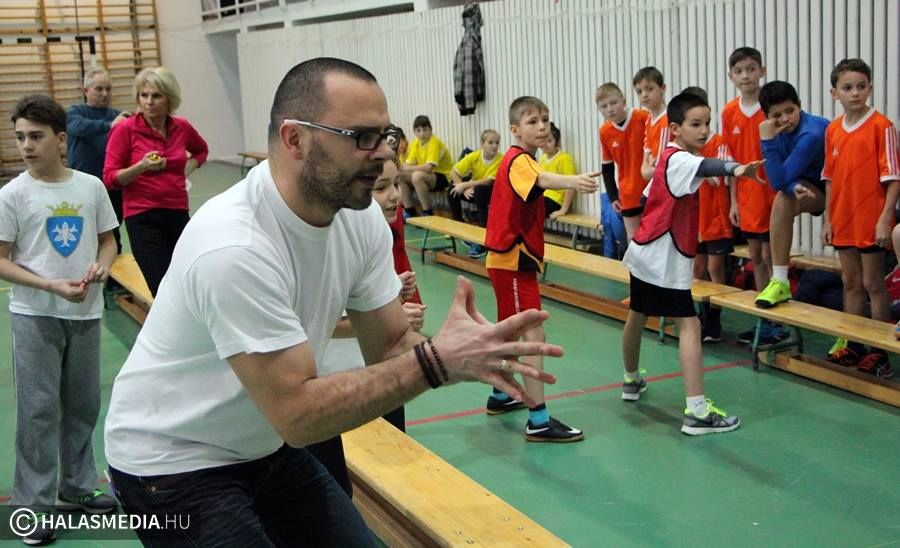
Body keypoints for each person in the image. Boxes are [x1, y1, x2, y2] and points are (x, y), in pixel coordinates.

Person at [103, 57, 560, 546]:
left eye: (385, 135)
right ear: (295, 139)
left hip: (263, 445)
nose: (383, 154)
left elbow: (390, 345)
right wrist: (434, 362)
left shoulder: (358, 217)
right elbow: (298, 413)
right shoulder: (234, 246)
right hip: (173, 464)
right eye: (361, 136)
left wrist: (464, 352)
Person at [2, 95, 119, 545]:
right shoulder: (13, 195)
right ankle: (32, 507)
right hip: (35, 315)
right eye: (20, 138)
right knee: (38, 411)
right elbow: (1, 259)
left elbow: (108, 241)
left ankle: (78, 485)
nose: (26, 146)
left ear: (61, 140)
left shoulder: (90, 187)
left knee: (84, 405)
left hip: (85, 313)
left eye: (36, 136)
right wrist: (49, 285)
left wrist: (102, 267)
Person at [618, 91, 764, 435]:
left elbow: (649, 195)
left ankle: (631, 380)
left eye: (707, 123)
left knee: (638, 313)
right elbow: (708, 166)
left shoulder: (667, 158)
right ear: (675, 129)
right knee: (690, 325)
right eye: (695, 124)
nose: (704, 130)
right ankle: (697, 412)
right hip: (664, 258)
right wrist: (737, 168)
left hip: (645, 252)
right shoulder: (681, 159)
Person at [483, 95, 599, 443]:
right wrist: (574, 181)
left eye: (545, 120)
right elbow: (544, 179)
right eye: (532, 121)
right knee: (533, 336)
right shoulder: (519, 160)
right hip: (512, 260)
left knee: (510, 332)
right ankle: (538, 419)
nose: (542, 126)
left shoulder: (526, 161)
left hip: (509, 261)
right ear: (515, 129)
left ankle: (500, 394)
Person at [312, 157, 426, 496]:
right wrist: (394, 318)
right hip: (336, 377)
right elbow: (323, 320)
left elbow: (367, 297)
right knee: (334, 482)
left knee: (394, 455)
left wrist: (395, 291)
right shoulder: (329, 243)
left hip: (377, 368)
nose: (394, 196)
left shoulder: (380, 233)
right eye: (381, 188)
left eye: (396, 184)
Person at [821, 58, 900, 378]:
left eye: (861, 86)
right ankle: (853, 344)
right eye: (847, 87)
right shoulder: (832, 130)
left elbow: (893, 178)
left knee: (873, 284)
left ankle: (879, 352)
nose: (855, 93)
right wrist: (828, 219)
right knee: (850, 282)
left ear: (870, 88)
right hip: (843, 218)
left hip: (871, 218)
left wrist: (884, 219)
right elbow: (829, 178)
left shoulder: (882, 126)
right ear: (834, 93)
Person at [103, 66, 208, 296]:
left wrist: (186, 169)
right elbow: (110, 178)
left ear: (169, 98)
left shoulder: (182, 127)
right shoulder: (125, 130)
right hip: (142, 217)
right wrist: (142, 167)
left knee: (187, 278)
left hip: (177, 212)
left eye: (156, 96)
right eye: (144, 95)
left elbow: (201, 150)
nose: (149, 102)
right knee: (161, 286)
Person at [721, 46, 786, 345]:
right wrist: (733, 201)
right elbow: (732, 163)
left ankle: (781, 321)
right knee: (756, 256)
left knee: (774, 256)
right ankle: (765, 320)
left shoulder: (771, 108)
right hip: (747, 196)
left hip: (773, 192)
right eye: (739, 71)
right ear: (731, 76)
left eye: (751, 69)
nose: (745, 75)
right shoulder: (728, 112)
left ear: (762, 71)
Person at [753, 81, 830, 310]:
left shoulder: (812, 133)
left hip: (836, 188)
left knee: (860, 276)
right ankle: (780, 281)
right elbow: (778, 180)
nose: (786, 119)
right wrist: (792, 185)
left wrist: (767, 142)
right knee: (782, 201)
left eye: (790, 111)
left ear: (800, 105)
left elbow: (778, 180)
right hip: (804, 183)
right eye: (777, 115)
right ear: (767, 117)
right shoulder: (773, 129)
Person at [682, 86, 734, 344]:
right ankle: (699, 317)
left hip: (715, 214)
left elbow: (720, 175)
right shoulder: (683, 148)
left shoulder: (718, 142)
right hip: (694, 215)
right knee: (697, 268)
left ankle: (715, 320)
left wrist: (703, 169)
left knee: (715, 268)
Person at [66, 68, 130, 259]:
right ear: (86, 90)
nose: (105, 93)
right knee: (84, 233)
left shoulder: (118, 115)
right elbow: (78, 127)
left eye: (108, 89)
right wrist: (110, 125)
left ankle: (113, 273)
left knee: (112, 232)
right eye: (99, 89)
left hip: (112, 187)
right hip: (82, 186)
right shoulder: (75, 112)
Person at [596, 82, 651, 243]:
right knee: (633, 238)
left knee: (654, 236)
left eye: (614, 103)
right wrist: (613, 196)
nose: (610, 109)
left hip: (651, 188)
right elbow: (607, 168)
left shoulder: (643, 117)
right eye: (604, 106)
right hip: (628, 193)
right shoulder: (604, 131)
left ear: (624, 100)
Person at [448, 128, 501, 258]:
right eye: (490, 142)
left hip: (493, 194)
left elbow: (488, 182)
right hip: (475, 191)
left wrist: (465, 185)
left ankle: (482, 238)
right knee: (452, 190)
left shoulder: (501, 159)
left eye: (497, 142)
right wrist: (463, 188)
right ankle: (459, 225)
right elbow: (453, 172)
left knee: (480, 190)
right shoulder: (474, 156)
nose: (494, 146)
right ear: (482, 143)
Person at [398, 114, 453, 217]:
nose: (422, 134)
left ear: (431, 130)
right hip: (429, 176)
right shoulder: (416, 143)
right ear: (414, 132)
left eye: (425, 130)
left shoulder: (434, 142)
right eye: (418, 131)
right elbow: (408, 164)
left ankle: (427, 212)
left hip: (444, 176)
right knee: (400, 176)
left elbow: (428, 168)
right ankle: (409, 210)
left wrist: (407, 168)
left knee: (417, 176)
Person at [633, 66, 670, 181]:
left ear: (663, 88)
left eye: (649, 89)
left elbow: (663, 164)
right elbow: (647, 151)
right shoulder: (649, 119)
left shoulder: (667, 119)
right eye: (639, 91)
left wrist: (647, 170)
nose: (644, 95)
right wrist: (646, 168)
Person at [540, 122, 578, 220]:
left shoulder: (563, 159)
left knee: (529, 209)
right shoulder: (542, 158)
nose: (546, 144)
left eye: (549, 141)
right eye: (543, 141)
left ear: (556, 142)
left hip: (555, 201)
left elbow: (572, 185)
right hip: (543, 197)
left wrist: (563, 210)